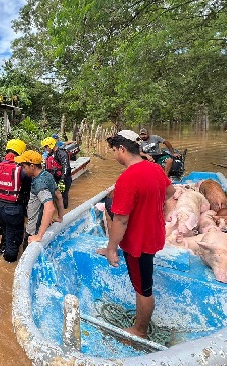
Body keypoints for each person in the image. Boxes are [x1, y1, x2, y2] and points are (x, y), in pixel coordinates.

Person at [95, 130, 175, 339]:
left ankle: (140, 331)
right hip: (155, 234)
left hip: (139, 244)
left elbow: (121, 220)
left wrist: (112, 249)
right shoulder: (155, 169)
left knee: (143, 289)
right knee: (143, 279)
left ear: (122, 149)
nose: (114, 155)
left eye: (114, 151)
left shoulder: (127, 178)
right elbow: (170, 193)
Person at [0, 139, 31, 262]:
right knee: (14, 236)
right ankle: (10, 261)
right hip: (14, 209)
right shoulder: (21, 170)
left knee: (5, 230)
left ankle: (1, 250)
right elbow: (28, 189)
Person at [14, 150, 64, 245]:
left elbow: (49, 208)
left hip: (34, 231)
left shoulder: (39, 183)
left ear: (32, 166)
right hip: (44, 226)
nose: (23, 170)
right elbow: (58, 195)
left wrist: (39, 236)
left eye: (24, 167)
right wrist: (60, 217)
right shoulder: (47, 175)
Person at [42, 136, 72, 209]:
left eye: (46, 147)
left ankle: (65, 214)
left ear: (50, 146)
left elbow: (66, 167)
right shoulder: (50, 155)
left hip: (63, 179)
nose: (46, 149)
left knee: (63, 197)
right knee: (55, 198)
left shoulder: (62, 153)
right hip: (54, 179)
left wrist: (62, 180)